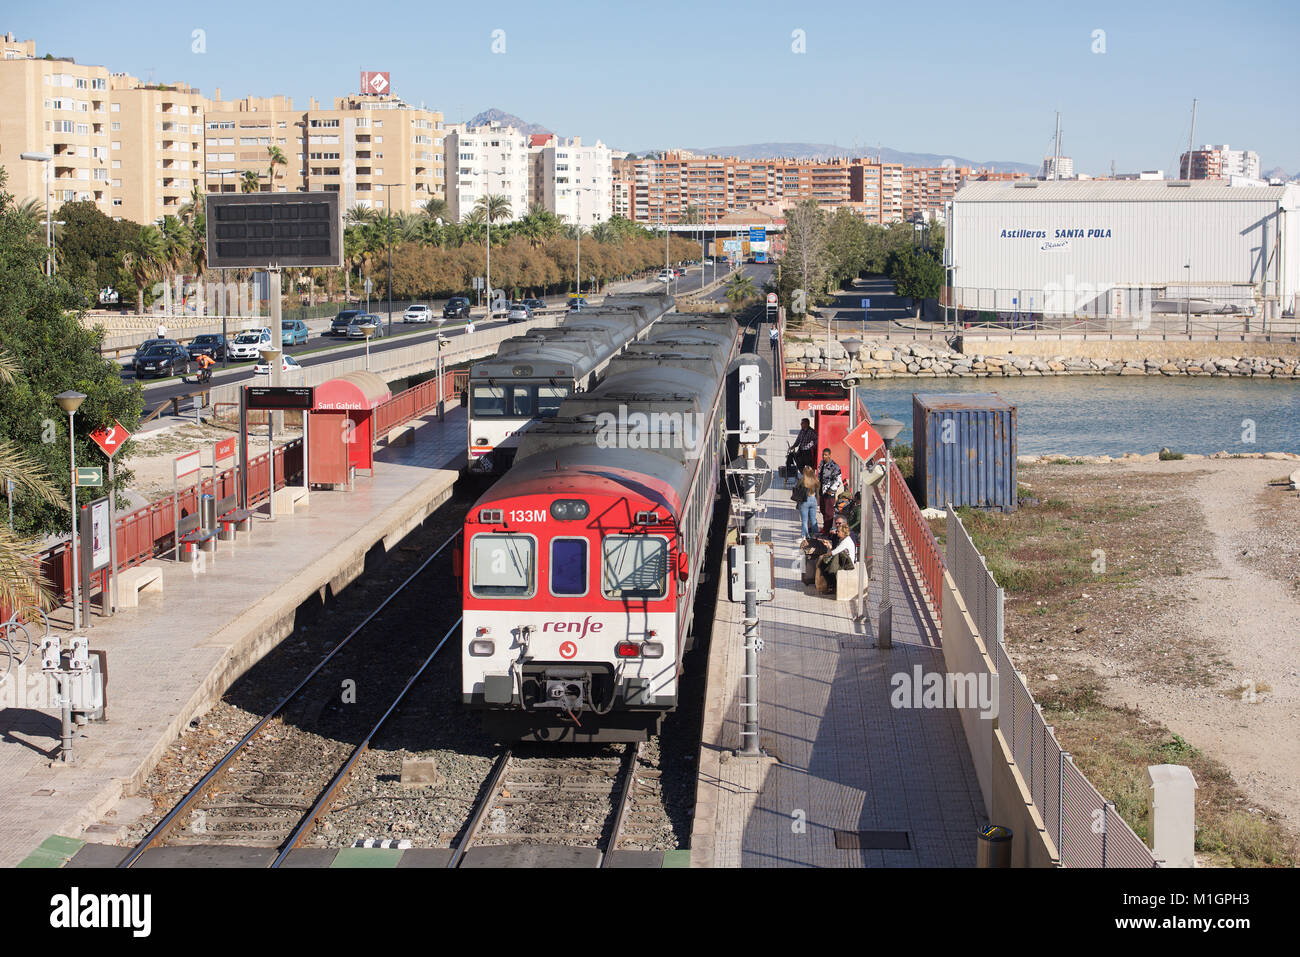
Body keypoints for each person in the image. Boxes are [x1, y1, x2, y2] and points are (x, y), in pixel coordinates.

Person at [818, 517, 856, 590]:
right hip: (844, 560)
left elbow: (833, 553)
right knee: (826, 564)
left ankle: (832, 586)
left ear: (843, 533)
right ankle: (832, 585)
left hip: (848, 563)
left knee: (824, 566)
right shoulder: (844, 539)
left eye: (838, 532)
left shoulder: (846, 541)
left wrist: (823, 556)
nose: (836, 532)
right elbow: (836, 551)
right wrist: (829, 545)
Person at [791, 466, 820, 544]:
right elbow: (818, 493)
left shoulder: (802, 480)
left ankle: (804, 536)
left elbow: (797, 489)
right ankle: (816, 535)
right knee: (813, 519)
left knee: (804, 520)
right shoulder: (815, 480)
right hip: (813, 500)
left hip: (804, 501)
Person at [817, 448, 842, 536]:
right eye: (823, 455)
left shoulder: (834, 466)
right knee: (823, 510)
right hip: (822, 491)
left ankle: (827, 531)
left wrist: (831, 490)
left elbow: (838, 480)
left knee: (829, 512)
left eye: (826, 455)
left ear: (830, 455)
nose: (824, 456)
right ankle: (825, 528)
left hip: (829, 494)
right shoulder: (821, 463)